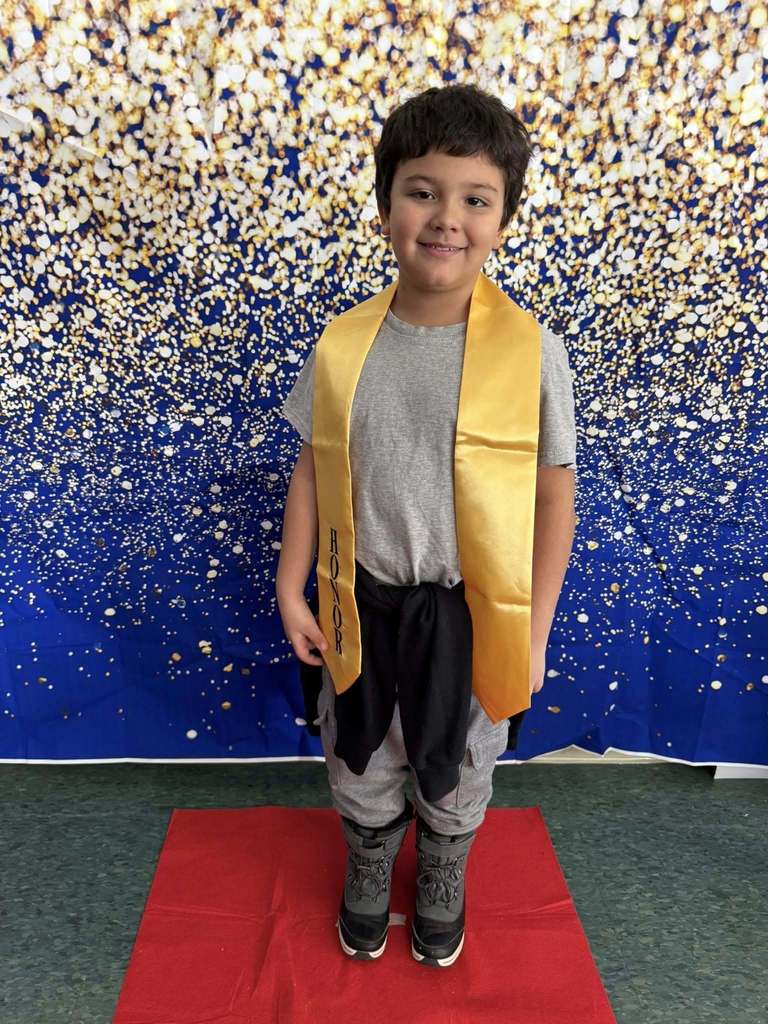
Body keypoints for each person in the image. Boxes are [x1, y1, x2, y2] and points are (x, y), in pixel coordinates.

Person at [276, 83, 577, 969]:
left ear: (503, 219)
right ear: (384, 209)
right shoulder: (345, 343)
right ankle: (371, 856)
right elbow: (314, 467)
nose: (446, 218)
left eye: (475, 199)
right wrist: (290, 584)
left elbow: (553, 494)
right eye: (422, 192)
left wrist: (535, 631)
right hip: (358, 603)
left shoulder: (529, 350)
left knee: (463, 760)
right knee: (360, 757)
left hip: (473, 614)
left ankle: (442, 862)